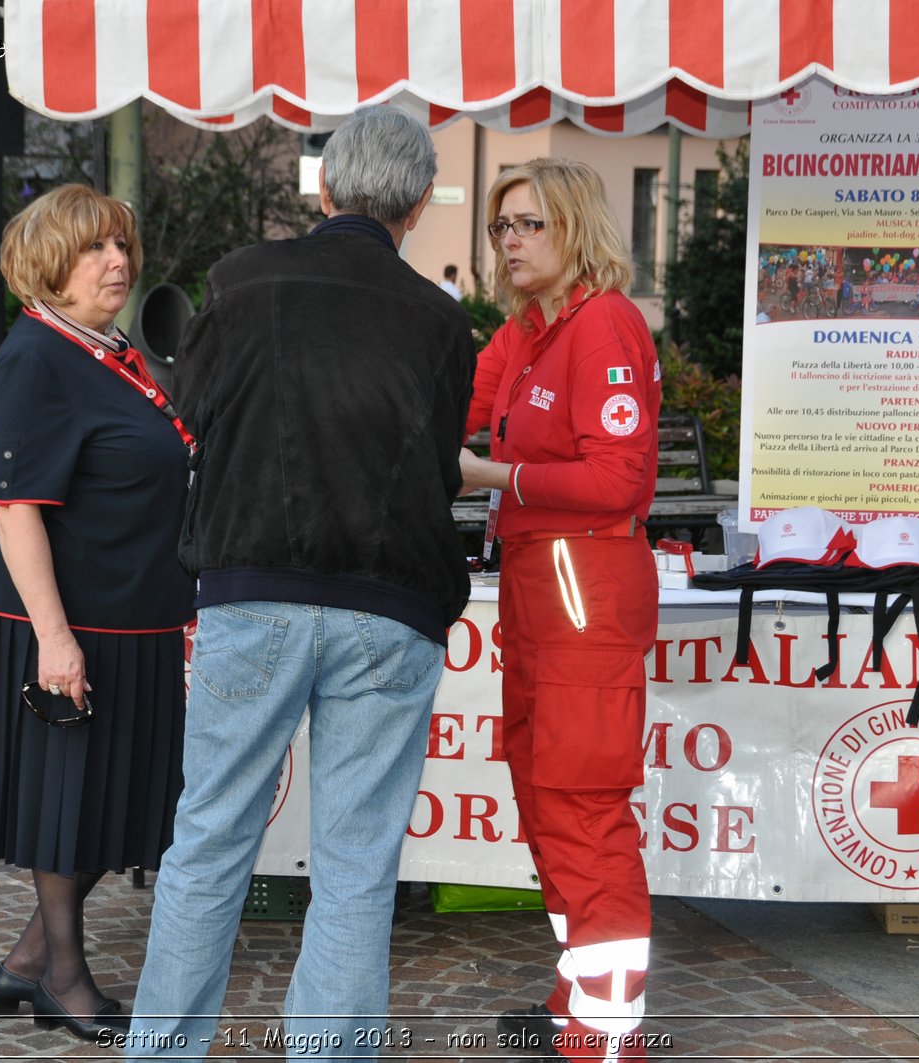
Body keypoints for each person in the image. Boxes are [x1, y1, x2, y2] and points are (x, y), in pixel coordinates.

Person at [124, 106, 475, 1057]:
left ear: (324, 190)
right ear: (412, 210)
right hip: (390, 602)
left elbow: (189, 409)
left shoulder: (242, 280)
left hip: (254, 586)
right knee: (359, 863)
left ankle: (162, 1050)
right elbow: (438, 464)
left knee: (208, 843)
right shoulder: (444, 323)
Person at [0, 184, 194, 1042]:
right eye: (94, 250)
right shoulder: (35, 358)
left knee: (130, 799)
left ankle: (23, 962)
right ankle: (61, 974)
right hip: (67, 625)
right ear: (48, 264)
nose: (117, 263)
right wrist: (55, 639)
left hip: (137, 616)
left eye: (121, 245)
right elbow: (15, 508)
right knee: (74, 801)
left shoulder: (108, 348)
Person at [457, 158, 661, 1062]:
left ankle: (607, 1034)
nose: (511, 242)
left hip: (583, 577)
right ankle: (580, 996)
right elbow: (444, 403)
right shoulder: (528, 331)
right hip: (542, 580)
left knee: (581, 800)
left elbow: (621, 476)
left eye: (529, 224)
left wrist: (494, 476)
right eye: (503, 227)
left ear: (574, 227)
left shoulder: (604, 323)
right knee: (543, 796)